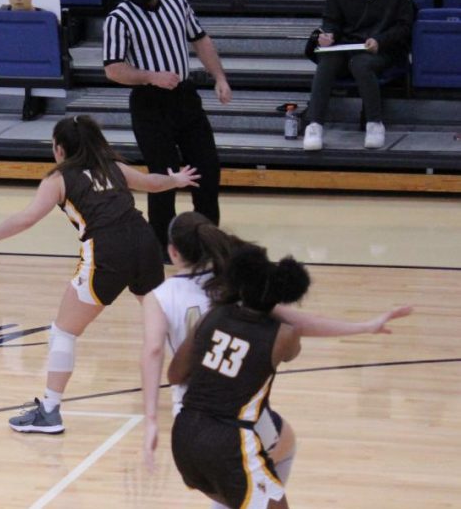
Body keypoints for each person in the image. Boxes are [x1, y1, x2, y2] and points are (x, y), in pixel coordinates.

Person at [0, 115, 200, 433]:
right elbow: (152, 184)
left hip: (107, 251)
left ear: (59, 149)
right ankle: (192, 397)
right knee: (165, 323)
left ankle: (49, 411)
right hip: (144, 242)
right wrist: (177, 180)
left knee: (63, 332)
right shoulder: (112, 166)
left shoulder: (59, 178)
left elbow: (26, 219)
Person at [141, 212, 412, 509]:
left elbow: (159, 357)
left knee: (251, 471)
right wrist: (364, 327)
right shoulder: (235, 288)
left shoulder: (165, 297)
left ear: (172, 251)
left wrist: (152, 418)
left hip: (188, 414)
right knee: (262, 463)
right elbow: (298, 324)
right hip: (233, 418)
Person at [103, 0, 231, 260]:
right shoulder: (118, 19)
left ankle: (207, 236)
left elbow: (201, 40)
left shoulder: (178, 3)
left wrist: (220, 77)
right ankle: (161, 244)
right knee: (164, 173)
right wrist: (151, 76)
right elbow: (113, 69)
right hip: (149, 102)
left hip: (185, 97)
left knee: (207, 167)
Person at [167, 243, 309, 509]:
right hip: (227, 440)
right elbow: (292, 350)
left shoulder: (212, 315)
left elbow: (175, 374)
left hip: (184, 434)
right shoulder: (285, 336)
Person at [303, 0, 415, 152]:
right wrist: (327, 35)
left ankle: (374, 123)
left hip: (383, 49)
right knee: (326, 60)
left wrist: (381, 41)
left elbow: (404, 26)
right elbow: (331, 20)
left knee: (361, 64)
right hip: (347, 45)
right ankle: (314, 124)